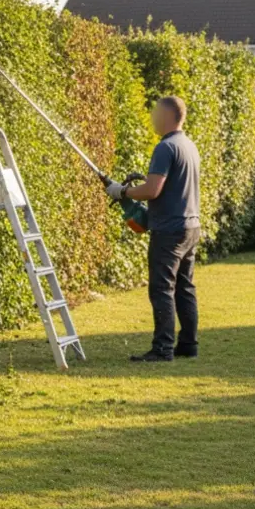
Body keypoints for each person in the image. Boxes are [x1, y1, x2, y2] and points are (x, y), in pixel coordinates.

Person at [105, 96, 201, 362]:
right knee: (184, 288)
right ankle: (188, 345)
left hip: (169, 232)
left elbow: (152, 190)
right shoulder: (189, 145)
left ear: (169, 116)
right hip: (190, 227)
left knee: (162, 289)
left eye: (156, 113)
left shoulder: (165, 147)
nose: (152, 117)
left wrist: (121, 191)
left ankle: (162, 349)